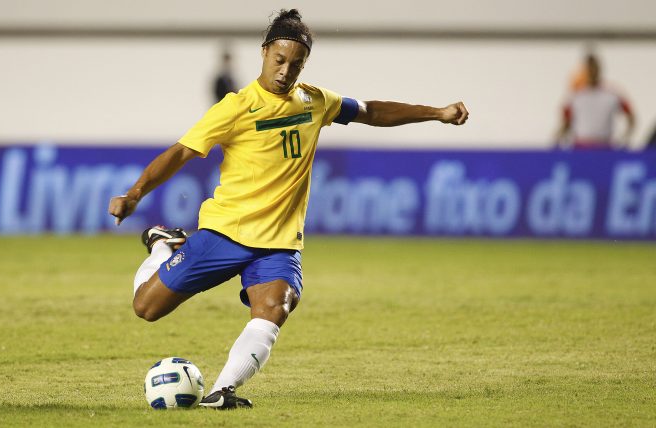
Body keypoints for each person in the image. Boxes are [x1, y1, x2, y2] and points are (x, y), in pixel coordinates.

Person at [108, 9, 469, 409]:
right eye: (279, 60)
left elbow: (372, 111)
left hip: (280, 242)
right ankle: (162, 244)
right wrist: (136, 193)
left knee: (275, 308)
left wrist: (436, 113)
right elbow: (180, 153)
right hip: (227, 232)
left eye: (295, 64)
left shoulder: (315, 102)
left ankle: (222, 391)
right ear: (264, 52)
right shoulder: (237, 107)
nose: (285, 71)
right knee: (146, 308)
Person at [557, 53, 636, 149]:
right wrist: (558, 139)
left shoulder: (613, 93)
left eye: (594, 68)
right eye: (589, 69)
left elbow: (631, 116)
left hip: (605, 145)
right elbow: (566, 123)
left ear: (599, 69)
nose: (592, 72)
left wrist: (625, 137)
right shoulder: (575, 95)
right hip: (581, 146)